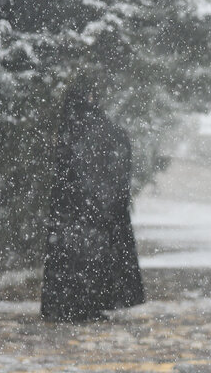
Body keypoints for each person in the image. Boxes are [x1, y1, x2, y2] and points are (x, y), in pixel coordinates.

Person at [41, 81, 145, 323]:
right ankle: (90, 304)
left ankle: (71, 305)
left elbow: (72, 171)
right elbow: (117, 164)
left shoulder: (72, 130)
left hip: (77, 211)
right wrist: (110, 202)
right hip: (97, 211)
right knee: (95, 259)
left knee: (76, 258)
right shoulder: (103, 130)